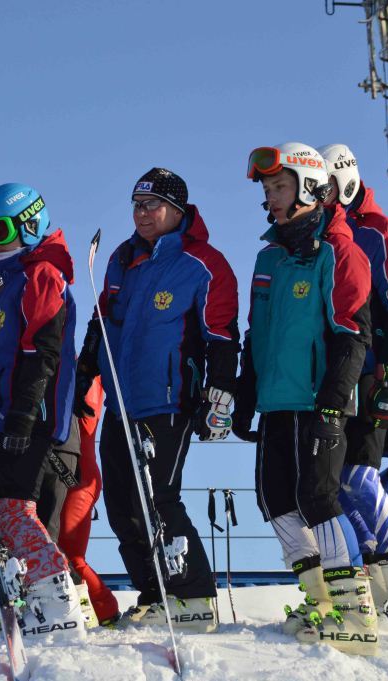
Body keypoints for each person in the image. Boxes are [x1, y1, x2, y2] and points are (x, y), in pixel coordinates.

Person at [76, 167, 239, 634]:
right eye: (137, 205)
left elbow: (221, 334)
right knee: (122, 507)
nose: (142, 213)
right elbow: (102, 323)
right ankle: (155, 593)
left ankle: (193, 596)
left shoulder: (202, 263)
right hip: (121, 404)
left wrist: (220, 390)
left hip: (168, 402)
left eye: (152, 205)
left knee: (159, 498)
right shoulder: (123, 259)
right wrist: (84, 374)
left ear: (178, 210)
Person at [232, 143, 377, 654]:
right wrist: (243, 396)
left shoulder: (339, 249)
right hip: (275, 401)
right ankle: (320, 601)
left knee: (318, 498)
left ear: (310, 187)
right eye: (267, 189)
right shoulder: (268, 255)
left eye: (280, 186)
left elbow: (352, 336)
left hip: (319, 400)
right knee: (274, 501)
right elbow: (257, 335)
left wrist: (334, 406)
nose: (271, 197)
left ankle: (354, 609)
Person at [318, 143, 388, 635]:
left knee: (360, 477)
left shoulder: (378, 229)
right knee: (335, 481)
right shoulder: (323, 229)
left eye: (325, 185)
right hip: (333, 370)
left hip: (372, 368)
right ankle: (374, 579)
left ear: (342, 178)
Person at [0, 182, 84, 638]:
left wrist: (23, 411)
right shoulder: (15, 279)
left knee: (13, 510)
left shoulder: (41, 274)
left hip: (29, 415)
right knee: (11, 510)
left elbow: (43, 349)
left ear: (30, 223)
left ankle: (56, 596)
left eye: (1, 230)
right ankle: (43, 595)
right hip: (8, 415)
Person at [58, 378, 120, 626]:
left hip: (78, 475)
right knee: (63, 551)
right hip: (79, 472)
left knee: (69, 554)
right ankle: (95, 609)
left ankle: (105, 609)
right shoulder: (85, 372)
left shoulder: (79, 374)